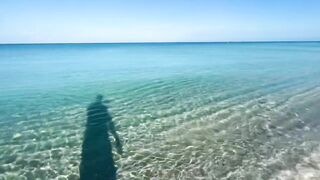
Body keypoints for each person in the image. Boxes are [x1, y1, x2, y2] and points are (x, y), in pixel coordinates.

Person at [80, 94, 123, 180]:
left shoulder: (90, 107)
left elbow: (89, 122)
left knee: (89, 157)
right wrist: (116, 138)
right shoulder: (103, 108)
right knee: (106, 157)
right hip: (101, 132)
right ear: (101, 100)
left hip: (90, 132)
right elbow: (110, 123)